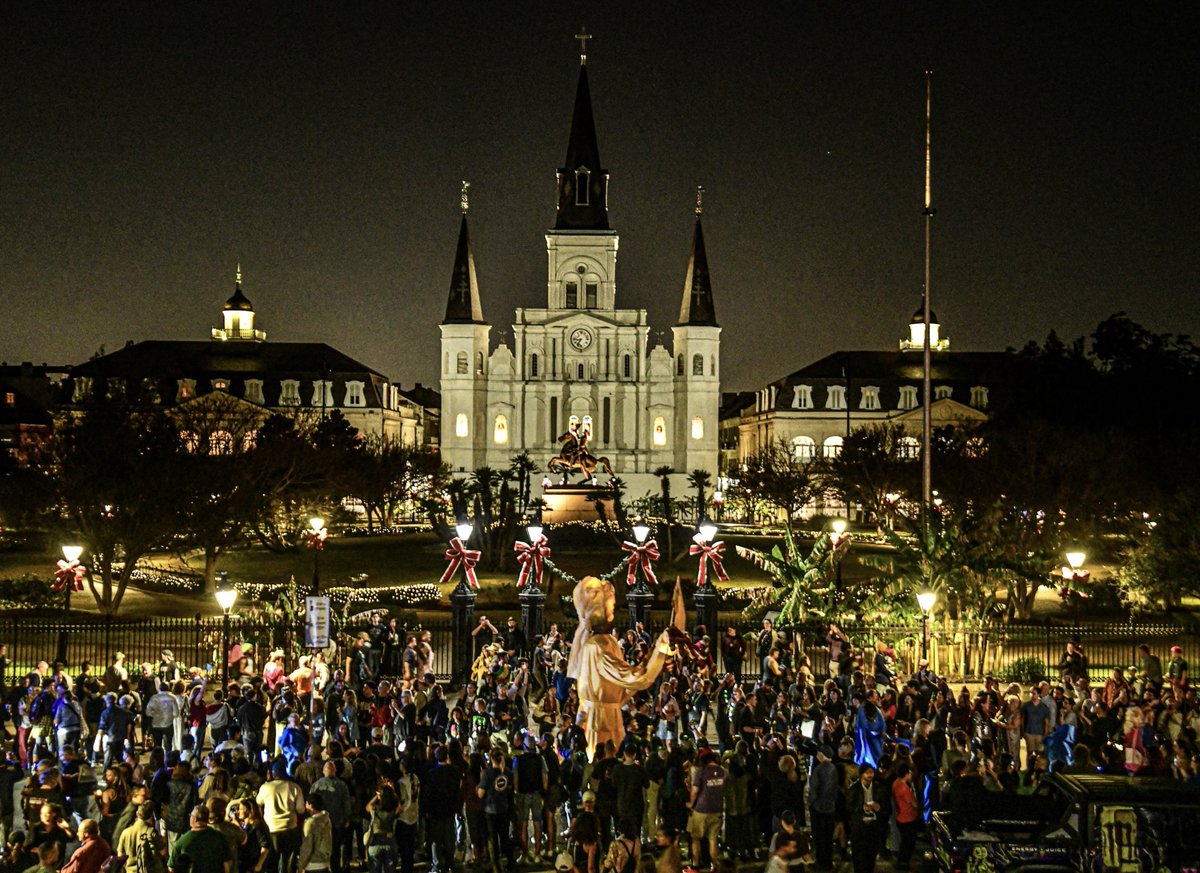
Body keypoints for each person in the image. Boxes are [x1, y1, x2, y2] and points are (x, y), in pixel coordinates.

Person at [685, 749, 725, 869]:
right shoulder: (723, 771)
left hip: (701, 810)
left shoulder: (701, 772)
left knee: (695, 837)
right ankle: (715, 866)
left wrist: (691, 803)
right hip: (717, 809)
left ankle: (695, 864)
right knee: (713, 840)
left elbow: (695, 791)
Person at [846, 764, 887, 873]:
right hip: (859, 824)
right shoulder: (854, 788)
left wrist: (878, 807)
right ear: (861, 774)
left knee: (871, 851)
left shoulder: (878, 787)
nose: (869, 775)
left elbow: (885, 805)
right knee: (859, 852)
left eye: (871, 772)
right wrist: (861, 807)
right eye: (867, 772)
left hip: (873, 824)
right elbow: (848, 806)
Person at [168, 805, 232, 873]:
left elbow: (171, 867)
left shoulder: (182, 842)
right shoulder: (219, 837)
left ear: (194, 819)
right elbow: (227, 863)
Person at [296, 795, 332, 873]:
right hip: (325, 862)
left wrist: (300, 866)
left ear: (310, 805)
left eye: (306, 803)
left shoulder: (310, 823)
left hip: (313, 864)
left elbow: (307, 847)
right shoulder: (326, 819)